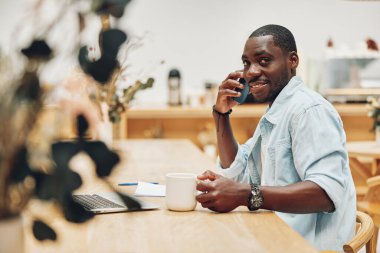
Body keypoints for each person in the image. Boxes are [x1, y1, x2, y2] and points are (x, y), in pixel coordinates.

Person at [195, 24, 356, 251]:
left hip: (308, 246)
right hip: (276, 238)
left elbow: (325, 194)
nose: (250, 72)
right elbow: (238, 167)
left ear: (292, 61)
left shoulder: (309, 110)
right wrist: (221, 114)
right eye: (246, 63)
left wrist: (246, 195)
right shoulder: (278, 111)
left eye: (263, 61)